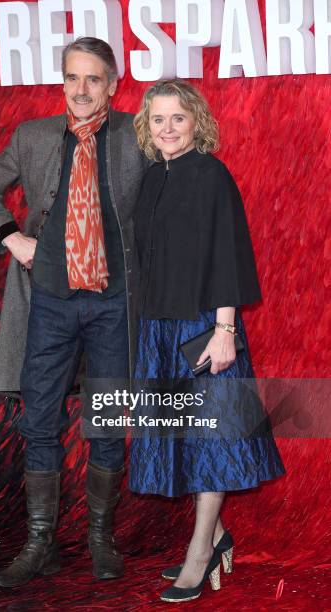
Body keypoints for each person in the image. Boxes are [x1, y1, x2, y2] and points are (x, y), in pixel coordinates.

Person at [0, 37, 147, 587]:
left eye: (94, 79)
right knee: (39, 418)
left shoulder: (138, 136)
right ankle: (39, 543)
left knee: (108, 420)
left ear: (113, 85)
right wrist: (10, 238)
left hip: (115, 302)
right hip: (49, 300)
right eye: (73, 78)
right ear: (62, 82)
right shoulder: (34, 135)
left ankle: (100, 539)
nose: (82, 90)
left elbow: (177, 189)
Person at [129, 79, 285, 603]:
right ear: (146, 127)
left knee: (213, 442)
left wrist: (224, 331)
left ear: (196, 121)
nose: (168, 128)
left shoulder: (213, 176)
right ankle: (216, 540)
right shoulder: (152, 178)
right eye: (158, 119)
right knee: (183, 439)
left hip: (204, 328)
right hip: (159, 327)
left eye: (178, 117)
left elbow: (227, 255)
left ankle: (199, 553)